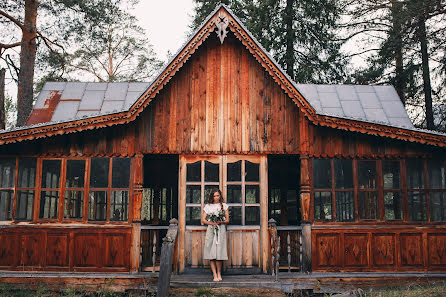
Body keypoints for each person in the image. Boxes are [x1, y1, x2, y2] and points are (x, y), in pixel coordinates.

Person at [202, 188, 229, 282]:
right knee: (211, 252)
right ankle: (214, 275)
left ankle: (219, 273)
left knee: (219, 253)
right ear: (212, 197)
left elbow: (227, 220)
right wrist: (212, 223)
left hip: (220, 230)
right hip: (211, 230)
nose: (216, 197)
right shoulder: (208, 206)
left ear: (220, 196)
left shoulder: (224, 206)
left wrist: (220, 221)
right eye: (214, 196)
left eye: (217, 195)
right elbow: (204, 220)